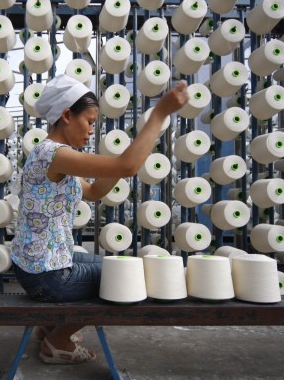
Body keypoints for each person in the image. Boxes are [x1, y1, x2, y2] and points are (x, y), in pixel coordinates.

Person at [10, 74, 189, 364]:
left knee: (116, 266)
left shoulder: (54, 155)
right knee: (126, 279)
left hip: (42, 265)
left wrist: (119, 163)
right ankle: (57, 342)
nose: (92, 130)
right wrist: (159, 113)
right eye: (90, 121)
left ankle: (50, 325)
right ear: (67, 115)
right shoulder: (53, 155)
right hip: (46, 276)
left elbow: (93, 191)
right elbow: (128, 166)